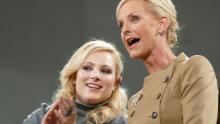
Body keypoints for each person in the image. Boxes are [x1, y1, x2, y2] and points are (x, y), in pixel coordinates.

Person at [116, 0, 218, 124]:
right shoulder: (135, 101)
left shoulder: (193, 68)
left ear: (162, 24)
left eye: (134, 18)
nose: (124, 30)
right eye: (121, 24)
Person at [23, 39, 128, 124]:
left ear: (116, 82)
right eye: (87, 68)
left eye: (105, 71)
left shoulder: (124, 122)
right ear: (73, 76)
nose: (95, 76)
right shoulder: (40, 117)